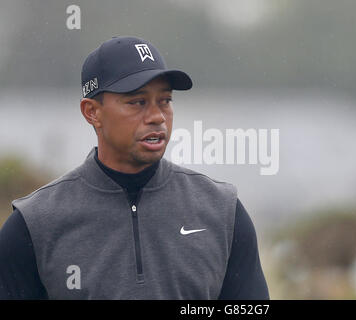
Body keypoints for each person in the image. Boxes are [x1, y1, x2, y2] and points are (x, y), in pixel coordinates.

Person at [0, 36, 269, 300]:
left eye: (165, 101)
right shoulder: (33, 224)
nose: (157, 117)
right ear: (92, 112)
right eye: (137, 102)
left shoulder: (223, 211)